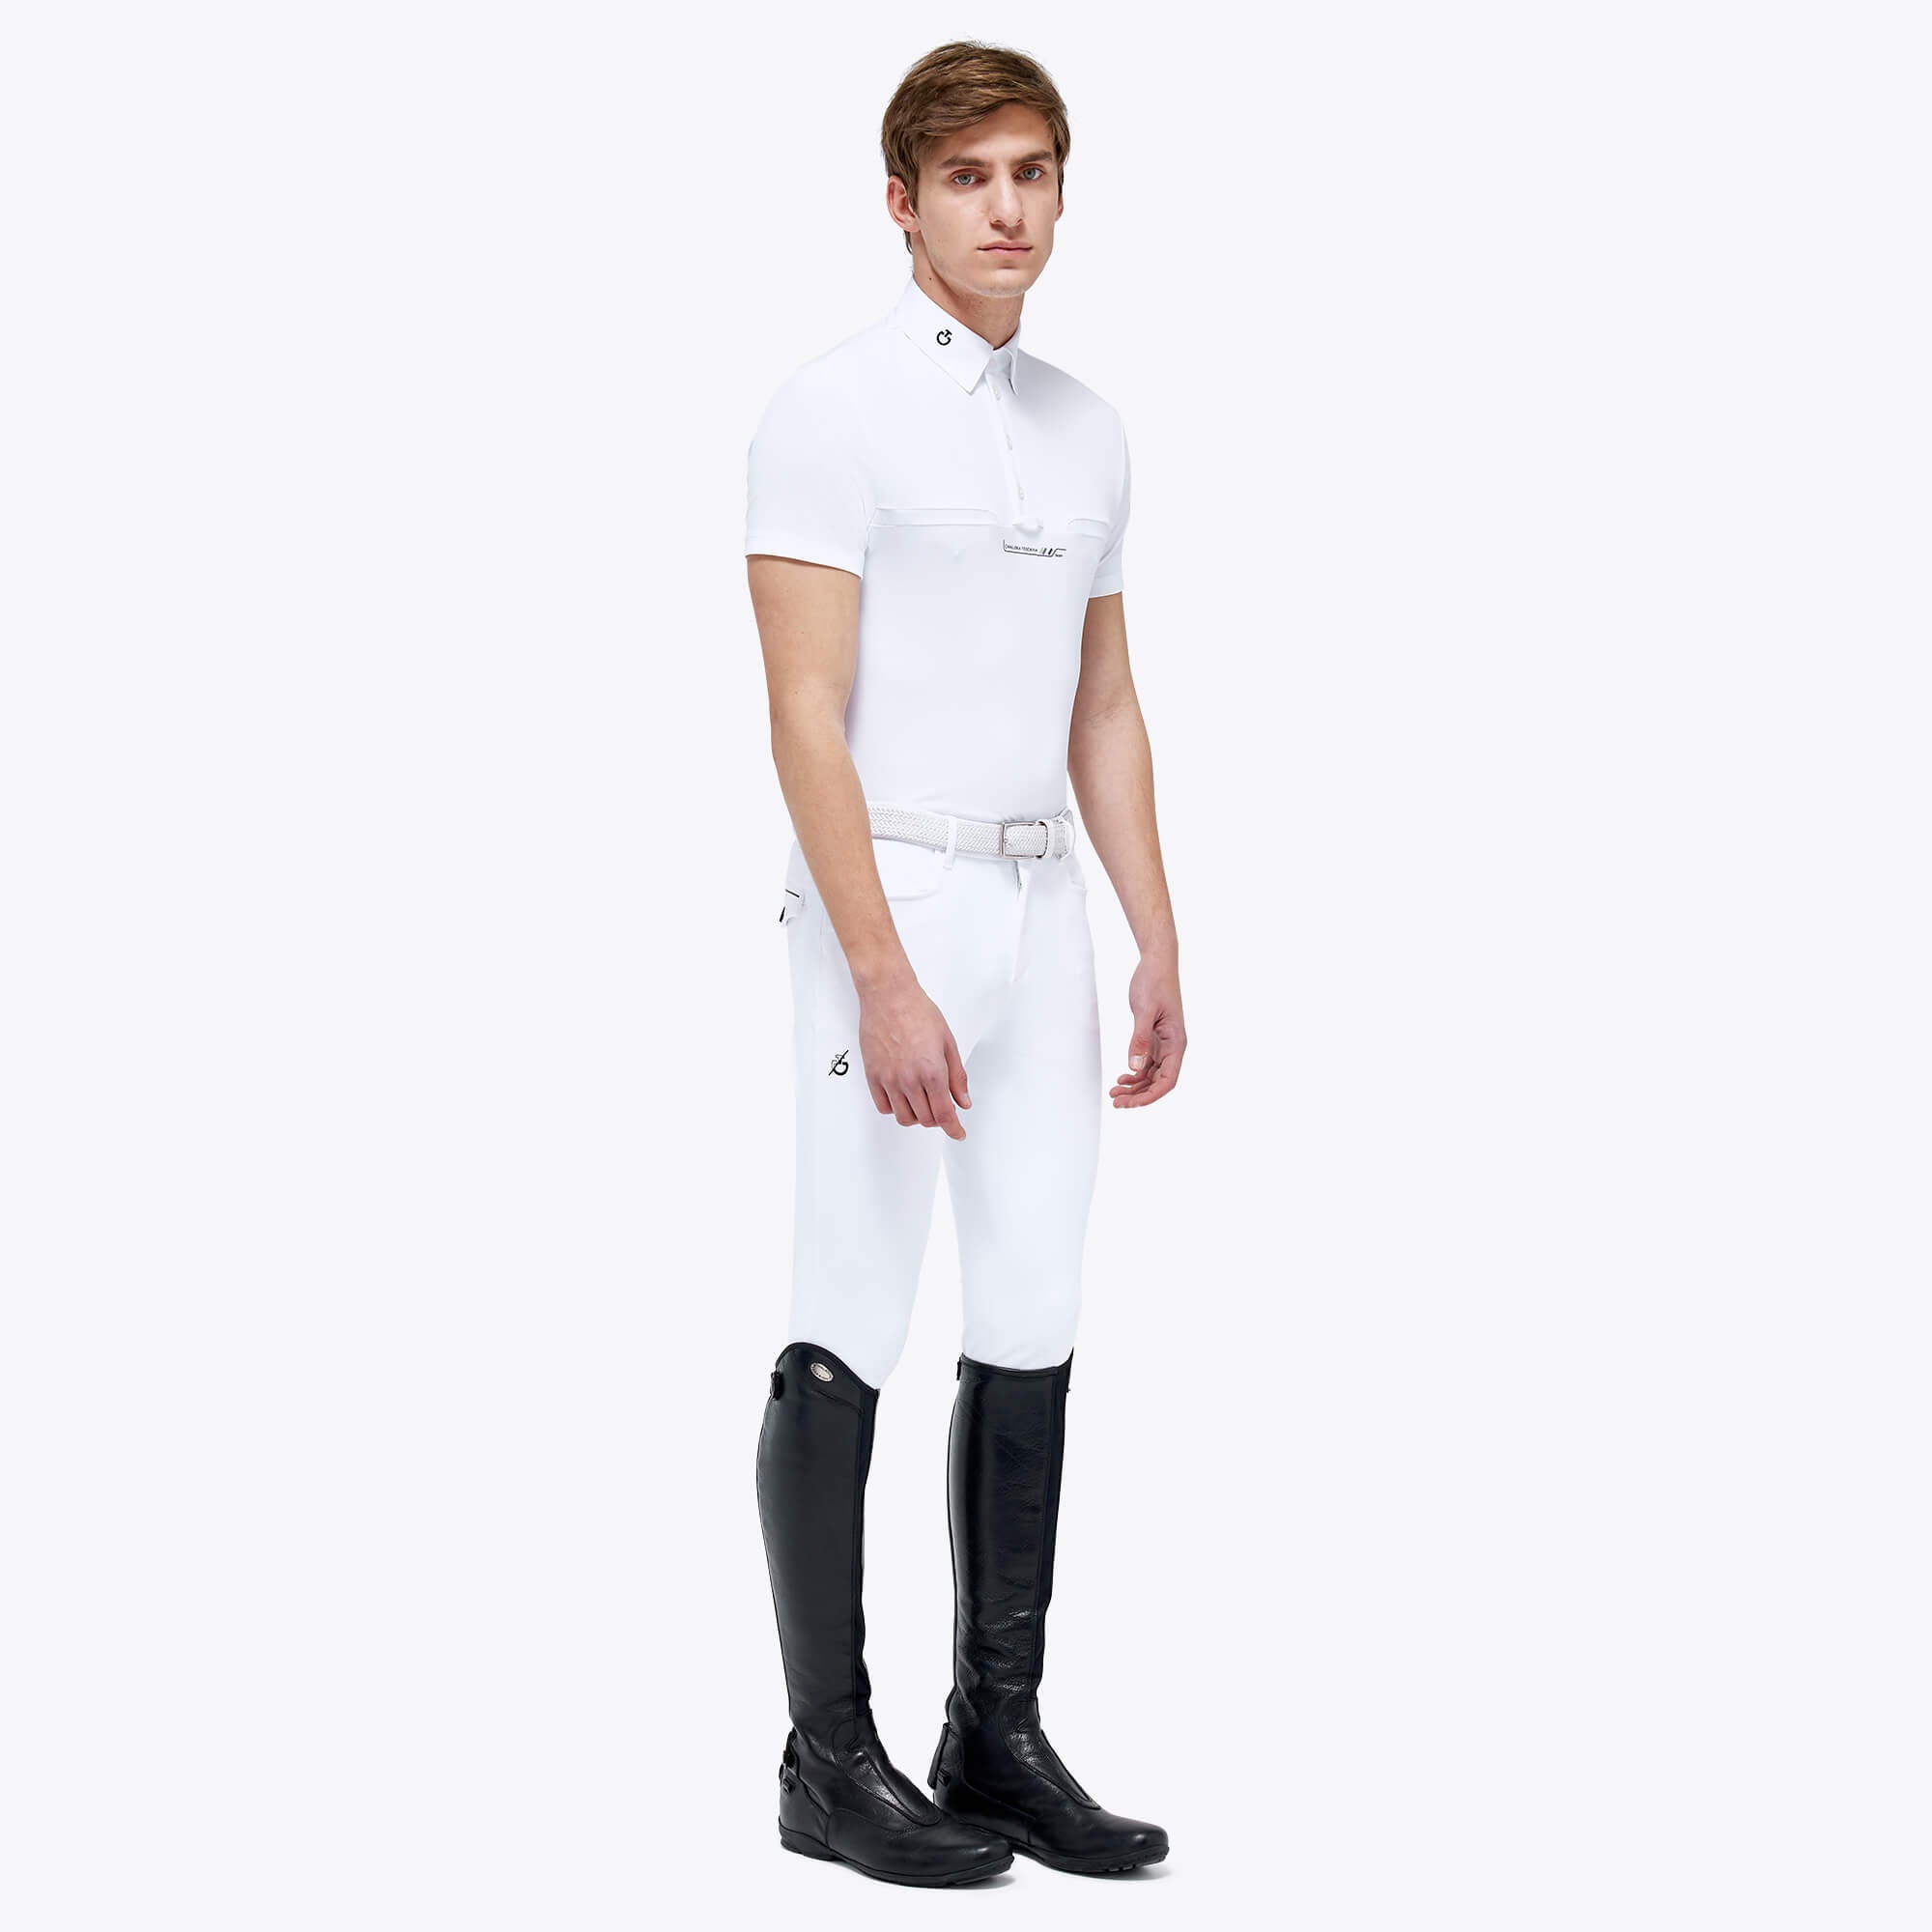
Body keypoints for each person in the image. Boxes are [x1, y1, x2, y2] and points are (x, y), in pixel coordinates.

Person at [744, 41, 1184, 1887]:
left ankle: (992, 1733)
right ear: (904, 200)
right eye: (970, 176)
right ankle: (827, 1761)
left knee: (1032, 1311)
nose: (1008, 208)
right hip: (893, 901)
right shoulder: (829, 414)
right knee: (851, 1309)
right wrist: (881, 969)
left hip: (1042, 903)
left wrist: (1155, 933)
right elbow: (805, 712)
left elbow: (1105, 704)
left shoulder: (1089, 431)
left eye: (1034, 172)